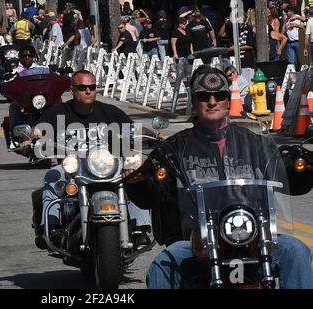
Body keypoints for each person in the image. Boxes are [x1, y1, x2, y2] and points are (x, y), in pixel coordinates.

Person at [125, 65, 313, 289]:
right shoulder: (174, 149)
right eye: (204, 96)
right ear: (194, 101)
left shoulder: (256, 143)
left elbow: (289, 178)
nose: (212, 101)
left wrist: (302, 166)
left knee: (296, 251)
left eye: (220, 95)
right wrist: (139, 180)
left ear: (228, 99)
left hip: (254, 238)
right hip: (198, 242)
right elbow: (152, 194)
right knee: (163, 265)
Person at [25, 70, 152, 249]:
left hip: (108, 166)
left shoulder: (109, 111)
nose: (88, 91)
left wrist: (157, 135)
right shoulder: (59, 112)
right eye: (82, 87)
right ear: (72, 90)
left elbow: (133, 129)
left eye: (91, 87)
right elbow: (38, 130)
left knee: (135, 172)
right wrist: (31, 139)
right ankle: (53, 228)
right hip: (74, 168)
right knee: (53, 176)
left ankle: (141, 228)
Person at [7, 45, 49, 144]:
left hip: (40, 99)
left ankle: (62, 129)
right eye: (24, 55)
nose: (27, 57)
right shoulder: (15, 71)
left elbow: (50, 78)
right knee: (13, 106)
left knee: (57, 103)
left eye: (30, 55)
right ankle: (15, 137)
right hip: (24, 100)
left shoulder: (41, 69)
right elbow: (7, 82)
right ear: (20, 57)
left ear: (33, 57)